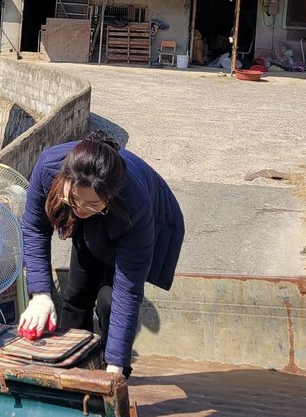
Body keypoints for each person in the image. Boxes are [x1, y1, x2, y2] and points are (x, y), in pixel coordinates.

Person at [16, 132, 184, 376]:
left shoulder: (135, 204)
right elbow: (34, 228)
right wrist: (40, 294)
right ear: (64, 179)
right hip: (95, 225)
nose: (82, 209)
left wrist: (115, 369)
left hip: (135, 226)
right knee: (76, 296)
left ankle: (111, 366)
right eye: (74, 200)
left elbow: (128, 291)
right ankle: (72, 367)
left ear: (111, 195)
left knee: (110, 300)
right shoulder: (49, 167)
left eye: (92, 204)